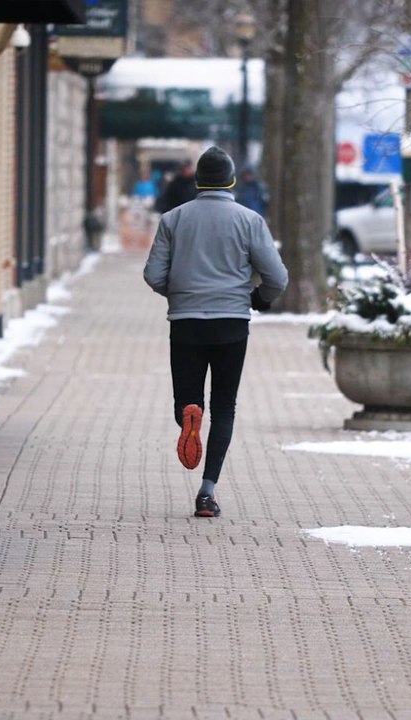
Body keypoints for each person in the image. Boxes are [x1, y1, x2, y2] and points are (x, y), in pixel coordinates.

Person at [143, 146, 288, 518]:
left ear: (197, 180)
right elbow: (278, 277)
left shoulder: (173, 219)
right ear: (232, 181)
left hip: (186, 322)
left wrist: (179, 294)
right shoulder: (249, 220)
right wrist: (258, 298)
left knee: (189, 400)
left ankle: (189, 416)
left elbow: (153, 275)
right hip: (231, 324)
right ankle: (207, 492)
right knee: (225, 406)